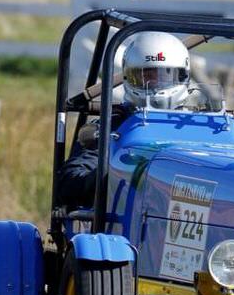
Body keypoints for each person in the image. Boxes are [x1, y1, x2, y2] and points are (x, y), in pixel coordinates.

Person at [56, 31, 191, 207]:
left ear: (182, 76)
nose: (153, 84)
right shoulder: (112, 127)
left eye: (163, 76)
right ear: (128, 77)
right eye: (144, 76)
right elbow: (71, 183)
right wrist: (114, 174)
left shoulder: (207, 126)